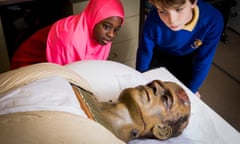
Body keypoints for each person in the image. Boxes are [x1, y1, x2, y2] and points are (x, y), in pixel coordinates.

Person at [0, 63, 191, 143]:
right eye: (154, 82)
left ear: (162, 130)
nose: (155, 85)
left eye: (166, 99)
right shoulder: (69, 77)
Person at [136, 0, 224, 96]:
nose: (172, 20)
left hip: (188, 57)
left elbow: (203, 61)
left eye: (178, 9)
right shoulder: (154, 17)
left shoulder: (212, 20)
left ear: (193, 2)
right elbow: (144, 51)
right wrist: (141, 79)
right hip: (159, 54)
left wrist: (192, 91)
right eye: (162, 11)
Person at [10, 0, 124, 69]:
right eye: (106, 26)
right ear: (94, 18)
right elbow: (65, 77)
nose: (111, 35)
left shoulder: (103, 36)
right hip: (29, 64)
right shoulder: (70, 38)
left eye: (116, 30)